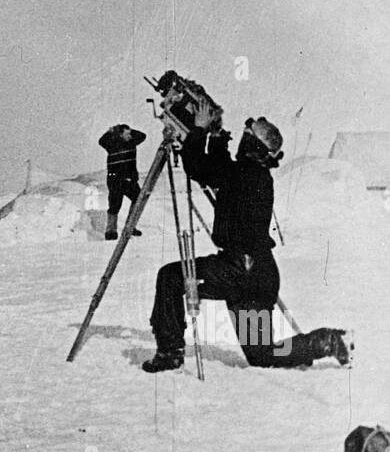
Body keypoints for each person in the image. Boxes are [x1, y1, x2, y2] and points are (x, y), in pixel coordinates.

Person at [143, 99, 349, 372]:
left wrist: (199, 130)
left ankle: (169, 353)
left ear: (252, 146)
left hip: (236, 272)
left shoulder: (242, 173)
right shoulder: (253, 173)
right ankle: (327, 342)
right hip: (259, 275)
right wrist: (215, 137)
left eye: (246, 137)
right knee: (262, 355)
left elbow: (198, 167)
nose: (242, 140)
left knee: (170, 277)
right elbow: (218, 169)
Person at [98, 123, 146, 240]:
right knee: (114, 206)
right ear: (120, 135)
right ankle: (111, 231)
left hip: (129, 180)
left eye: (130, 134)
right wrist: (111, 131)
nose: (130, 136)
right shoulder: (111, 144)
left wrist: (129, 131)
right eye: (127, 134)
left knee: (139, 200)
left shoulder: (132, 142)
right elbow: (101, 141)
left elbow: (142, 136)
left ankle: (130, 226)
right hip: (115, 180)